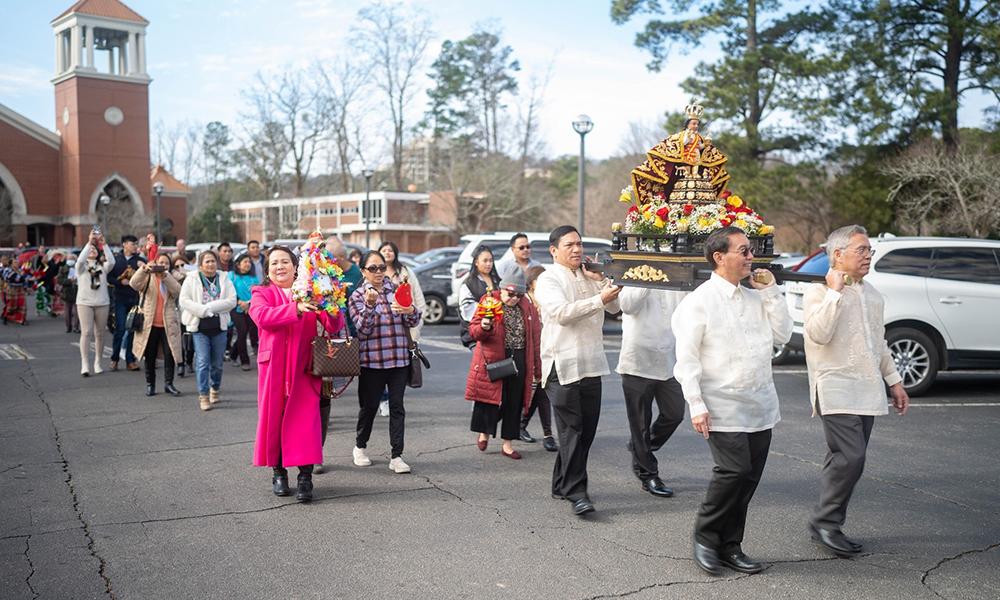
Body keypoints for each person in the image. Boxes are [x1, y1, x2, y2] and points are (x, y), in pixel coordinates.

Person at [671, 226, 792, 576]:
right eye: (743, 250)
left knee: (748, 478)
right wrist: (696, 403)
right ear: (719, 257)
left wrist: (771, 293)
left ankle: (731, 545)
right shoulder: (699, 301)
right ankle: (705, 538)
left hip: (760, 402)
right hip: (720, 403)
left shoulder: (756, 297)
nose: (751, 256)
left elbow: (783, 335)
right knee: (733, 471)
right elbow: (687, 358)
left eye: (751, 250)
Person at [803, 225, 909, 556]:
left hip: (867, 387)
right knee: (851, 457)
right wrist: (835, 293)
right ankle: (825, 522)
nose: (868, 256)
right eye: (861, 250)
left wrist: (893, 380)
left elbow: (879, 343)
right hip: (834, 385)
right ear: (838, 255)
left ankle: (827, 522)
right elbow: (818, 334)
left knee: (846, 460)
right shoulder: (818, 293)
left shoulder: (873, 294)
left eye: (869, 251)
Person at [534, 225, 621, 516]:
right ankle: (577, 491)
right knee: (572, 429)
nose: (576, 249)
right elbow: (562, 314)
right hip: (562, 365)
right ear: (554, 250)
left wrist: (600, 282)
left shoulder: (588, 274)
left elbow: (613, 308)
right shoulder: (548, 279)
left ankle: (561, 483)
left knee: (585, 433)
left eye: (579, 244)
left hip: (591, 363)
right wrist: (599, 299)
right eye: (569, 244)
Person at [250, 246, 346, 502]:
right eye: (274, 263)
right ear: (268, 270)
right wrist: (297, 309)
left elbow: (334, 325)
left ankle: (305, 476)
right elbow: (262, 317)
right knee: (275, 421)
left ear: (296, 267)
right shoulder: (262, 293)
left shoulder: (310, 291)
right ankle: (279, 473)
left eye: (285, 262)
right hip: (273, 370)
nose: (279, 267)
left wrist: (333, 301)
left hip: (305, 368)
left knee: (305, 423)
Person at [349, 251, 422, 474]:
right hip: (372, 362)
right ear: (363, 271)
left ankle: (396, 455)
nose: (379, 272)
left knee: (397, 407)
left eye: (381, 267)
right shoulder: (357, 296)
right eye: (373, 268)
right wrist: (370, 306)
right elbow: (362, 329)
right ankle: (360, 446)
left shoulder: (396, 289)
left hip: (399, 359)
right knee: (369, 407)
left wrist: (410, 310)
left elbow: (412, 319)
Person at [616, 285, 688, 498]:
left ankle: (641, 449)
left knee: (675, 414)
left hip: (670, 360)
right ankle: (648, 474)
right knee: (640, 424)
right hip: (637, 360)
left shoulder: (677, 276)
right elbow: (627, 306)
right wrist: (649, 277)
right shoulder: (636, 274)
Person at [465, 270, 541, 459]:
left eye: (519, 295)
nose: (514, 299)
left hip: (520, 356)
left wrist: (538, 367)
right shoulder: (490, 300)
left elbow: (535, 337)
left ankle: (507, 443)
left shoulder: (527, 306)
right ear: (502, 289)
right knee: (488, 400)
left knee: (514, 402)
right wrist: (484, 326)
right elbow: (474, 331)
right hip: (494, 357)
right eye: (511, 293)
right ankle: (484, 433)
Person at [179, 250, 237, 411]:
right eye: (207, 261)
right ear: (200, 264)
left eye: (213, 261)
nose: (210, 264)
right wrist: (202, 311)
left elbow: (231, 301)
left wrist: (210, 307)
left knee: (217, 364)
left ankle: (215, 388)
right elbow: (184, 300)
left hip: (219, 327)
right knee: (203, 362)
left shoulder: (223, 278)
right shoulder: (192, 279)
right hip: (199, 328)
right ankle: (203, 395)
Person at [377, 240, 426, 416]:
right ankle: (383, 399)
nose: (388, 253)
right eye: (384, 250)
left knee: (400, 369)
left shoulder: (405, 272)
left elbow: (418, 298)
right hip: (382, 331)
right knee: (382, 367)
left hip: (405, 328)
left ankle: (394, 399)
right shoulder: (376, 272)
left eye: (391, 250)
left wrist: (417, 326)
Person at [130, 253, 183, 397]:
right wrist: (144, 270)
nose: (163, 265)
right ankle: (150, 384)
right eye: (160, 262)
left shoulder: (172, 277)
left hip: (168, 323)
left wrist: (165, 276)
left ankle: (169, 384)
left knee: (170, 354)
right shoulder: (147, 277)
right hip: (149, 322)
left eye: (166, 263)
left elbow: (178, 291)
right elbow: (133, 284)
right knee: (150, 355)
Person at [518, 265, 556, 451]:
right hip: (528, 355)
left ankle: (544, 433)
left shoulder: (546, 300)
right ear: (532, 284)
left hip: (546, 352)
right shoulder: (525, 302)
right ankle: (523, 426)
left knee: (542, 392)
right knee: (537, 393)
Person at [75, 231, 115, 374]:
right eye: (90, 250)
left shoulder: (103, 267)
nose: (92, 250)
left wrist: (103, 243)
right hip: (85, 302)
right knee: (86, 332)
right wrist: (89, 242)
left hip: (102, 302)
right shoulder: (81, 268)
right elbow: (80, 260)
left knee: (100, 333)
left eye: (94, 249)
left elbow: (112, 261)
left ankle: (98, 362)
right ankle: (85, 363)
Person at [107, 234, 147, 371]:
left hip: (135, 299)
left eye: (136, 244)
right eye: (132, 243)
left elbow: (146, 278)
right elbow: (109, 278)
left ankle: (130, 360)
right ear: (124, 244)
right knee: (120, 328)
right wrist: (120, 282)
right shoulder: (116, 260)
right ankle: (114, 359)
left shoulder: (140, 260)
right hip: (120, 298)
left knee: (132, 329)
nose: (135, 246)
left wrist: (143, 268)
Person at [458, 245, 501, 349]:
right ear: (476, 262)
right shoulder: (468, 284)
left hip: (497, 333)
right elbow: (467, 310)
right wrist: (489, 315)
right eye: (485, 261)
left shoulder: (498, 281)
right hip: (476, 334)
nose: (488, 264)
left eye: (491, 261)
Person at [228, 253, 259, 371]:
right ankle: (245, 361)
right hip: (236, 308)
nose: (248, 264)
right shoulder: (232, 276)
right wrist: (239, 302)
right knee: (242, 331)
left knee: (245, 332)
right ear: (238, 264)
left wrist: (249, 304)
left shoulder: (253, 278)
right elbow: (228, 291)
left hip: (250, 308)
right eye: (245, 262)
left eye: (249, 262)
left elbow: (257, 294)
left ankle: (233, 354)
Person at [57, 254, 80, 333]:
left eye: (72, 258)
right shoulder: (63, 268)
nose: (71, 260)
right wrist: (69, 281)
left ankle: (76, 327)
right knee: (68, 310)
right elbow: (59, 280)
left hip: (77, 290)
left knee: (77, 311)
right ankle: (68, 326)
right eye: (70, 258)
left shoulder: (77, 267)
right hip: (67, 291)